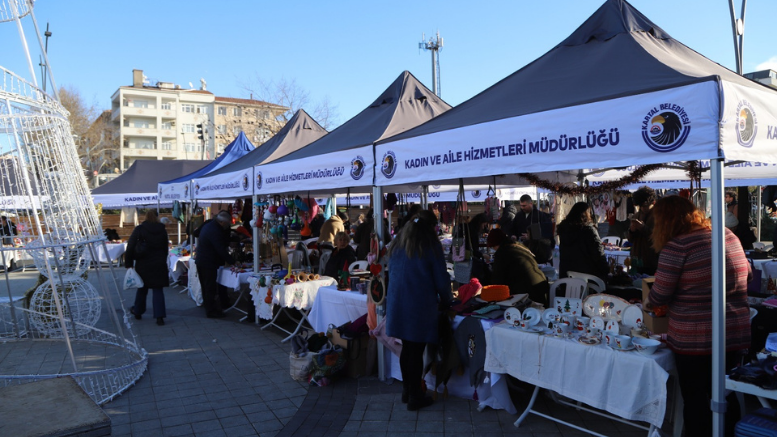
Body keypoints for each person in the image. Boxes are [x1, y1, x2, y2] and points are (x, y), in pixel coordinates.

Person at [647, 196, 750, 437]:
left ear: (664, 222)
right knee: (725, 391)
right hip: (733, 331)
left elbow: (659, 295)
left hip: (696, 337)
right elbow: (749, 273)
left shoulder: (677, 247)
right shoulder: (726, 234)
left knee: (695, 397)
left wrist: (648, 301)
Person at [386, 210, 452, 411]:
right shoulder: (430, 245)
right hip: (418, 304)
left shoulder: (399, 243)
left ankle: (408, 391)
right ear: (431, 227)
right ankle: (415, 395)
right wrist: (448, 300)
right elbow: (441, 278)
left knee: (408, 348)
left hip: (398, 302)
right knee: (415, 350)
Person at [125, 210, 169, 326]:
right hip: (159, 262)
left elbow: (130, 246)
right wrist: (163, 259)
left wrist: (128, 263)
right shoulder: (162, 229)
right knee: (158, 289)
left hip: (143, 262)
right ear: (157, 217)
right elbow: (165, 248)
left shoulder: (140, 229)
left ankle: (138, 311)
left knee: (142, 288)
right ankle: (160, 316)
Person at [486, 228, 550, 306]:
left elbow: (498, 280)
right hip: (539, 285)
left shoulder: (502, 252)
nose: (493, 249)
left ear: (495, 243)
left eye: (493, 247)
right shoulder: (517, 245)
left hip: (526, 293)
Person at [195, 211, 235, 318]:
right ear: (222, 222)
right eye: (227, 224)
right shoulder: (214, 230)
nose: (227, 226)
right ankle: (211, 310)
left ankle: (209, 307)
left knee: (206, 286)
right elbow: (220, 249)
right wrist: (232, 261)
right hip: (208, 262)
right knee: (209, 287)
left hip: (202, 260)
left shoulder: (210, 225)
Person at [556, 202, 609, 281]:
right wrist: (607, 270)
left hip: (566, 279)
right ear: (586, 214)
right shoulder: (589, 230)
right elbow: (598, 254)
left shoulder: (564, 230)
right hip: (588, 280)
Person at [628, 186, 659, 275]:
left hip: (651, 261)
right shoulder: (636, 215)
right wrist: (632, 231)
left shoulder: (658, 216)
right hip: (636, 260)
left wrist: (643, 228)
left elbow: (658, 238)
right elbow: (630, 240)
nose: (642, 208)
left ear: (653, 202)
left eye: (645, 206)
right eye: (640, 206)